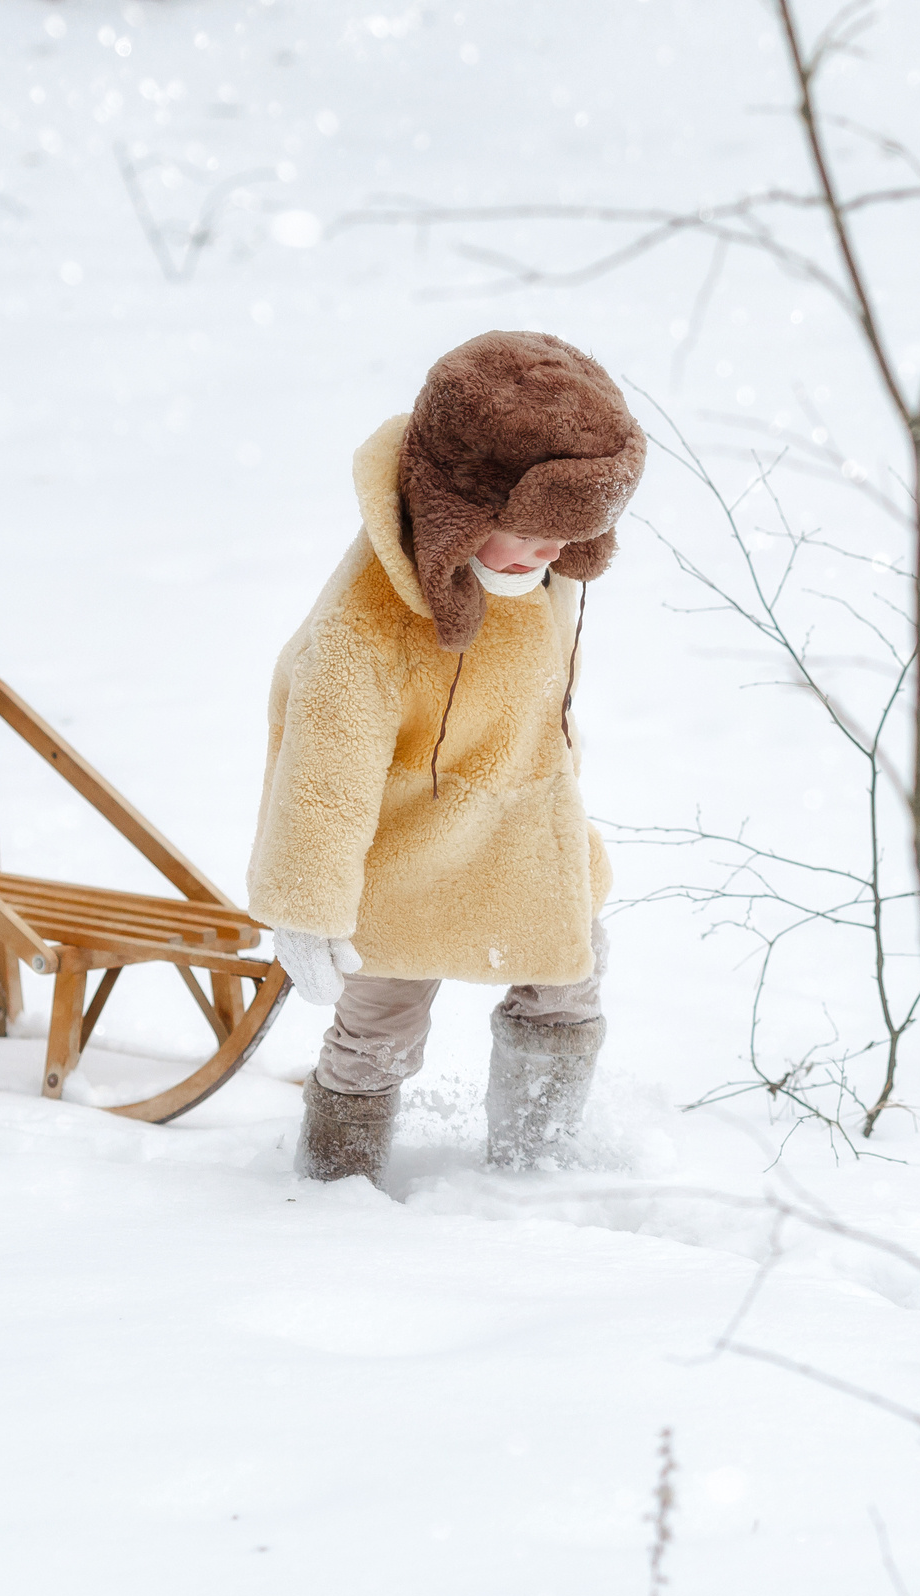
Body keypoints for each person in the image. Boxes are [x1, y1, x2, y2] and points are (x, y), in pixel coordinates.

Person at [246, 330, 645, 1183]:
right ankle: (336, 1178)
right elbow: (324, 775)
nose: (546, 559)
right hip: (407, 854)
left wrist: (565, 797)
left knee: (568, 984)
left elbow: (544, 703)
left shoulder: (540, 577)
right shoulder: (367, 626)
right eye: (527, 537)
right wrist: (309, 905)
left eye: (562, 541)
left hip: (523, 843)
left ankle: (535, 1158)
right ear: (457, 508)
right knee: (378, 1025)